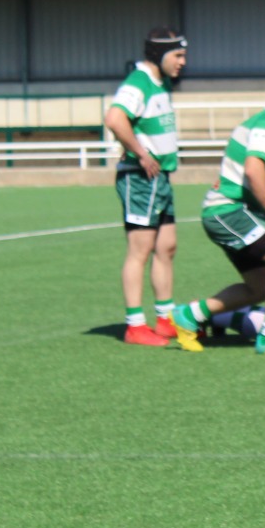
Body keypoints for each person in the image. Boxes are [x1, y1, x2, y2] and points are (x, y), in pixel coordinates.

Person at [170, 79, 265, 355]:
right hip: (229, 212)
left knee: (260, 288)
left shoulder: (263, 124)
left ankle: (188, 315)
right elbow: (253, 170)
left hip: (230, 213)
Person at [104, 27, 186, 346]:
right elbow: (114, 118)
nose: (182, 62)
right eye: (178, 55)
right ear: (159, 55)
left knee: (166, 247)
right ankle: (135, 325)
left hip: (159, 179)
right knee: (139, 251)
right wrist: (141, 153)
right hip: (141, 180)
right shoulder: (137, 83)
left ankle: (164, 319)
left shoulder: (160, 83)